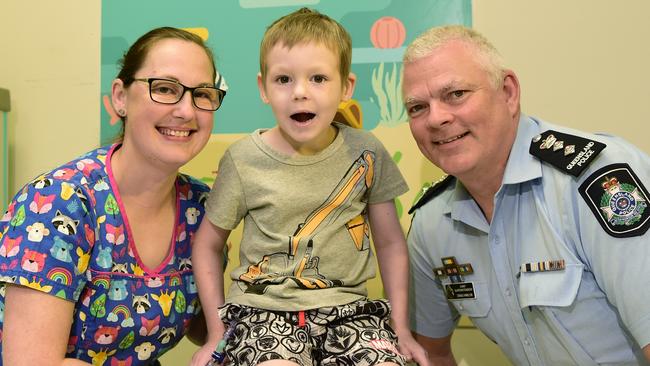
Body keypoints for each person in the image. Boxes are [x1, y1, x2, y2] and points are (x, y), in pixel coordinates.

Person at [190, 8, 428, 366]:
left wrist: (400, 329)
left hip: (351, 313)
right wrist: (214, 332)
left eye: (318, 78)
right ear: (263, 88)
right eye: (284, 80)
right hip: (262, 314)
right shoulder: (243, 159)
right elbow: (207, 246)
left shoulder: (367, 151)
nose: (300, 93)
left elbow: (391, 243)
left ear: (346, 87)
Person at [403, 24, 650, 365]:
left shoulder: (596, 179)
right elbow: (429, 352)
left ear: (508, 92)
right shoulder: (431, 226)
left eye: (456, 94)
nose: (436, 118)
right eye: (417, 107)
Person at [0, 26, 228, 365]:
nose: (186, 111)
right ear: (120, 97)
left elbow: (203, 328)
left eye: (203, 94)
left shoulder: (202, 208)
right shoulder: (57, 204)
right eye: (165, 88)